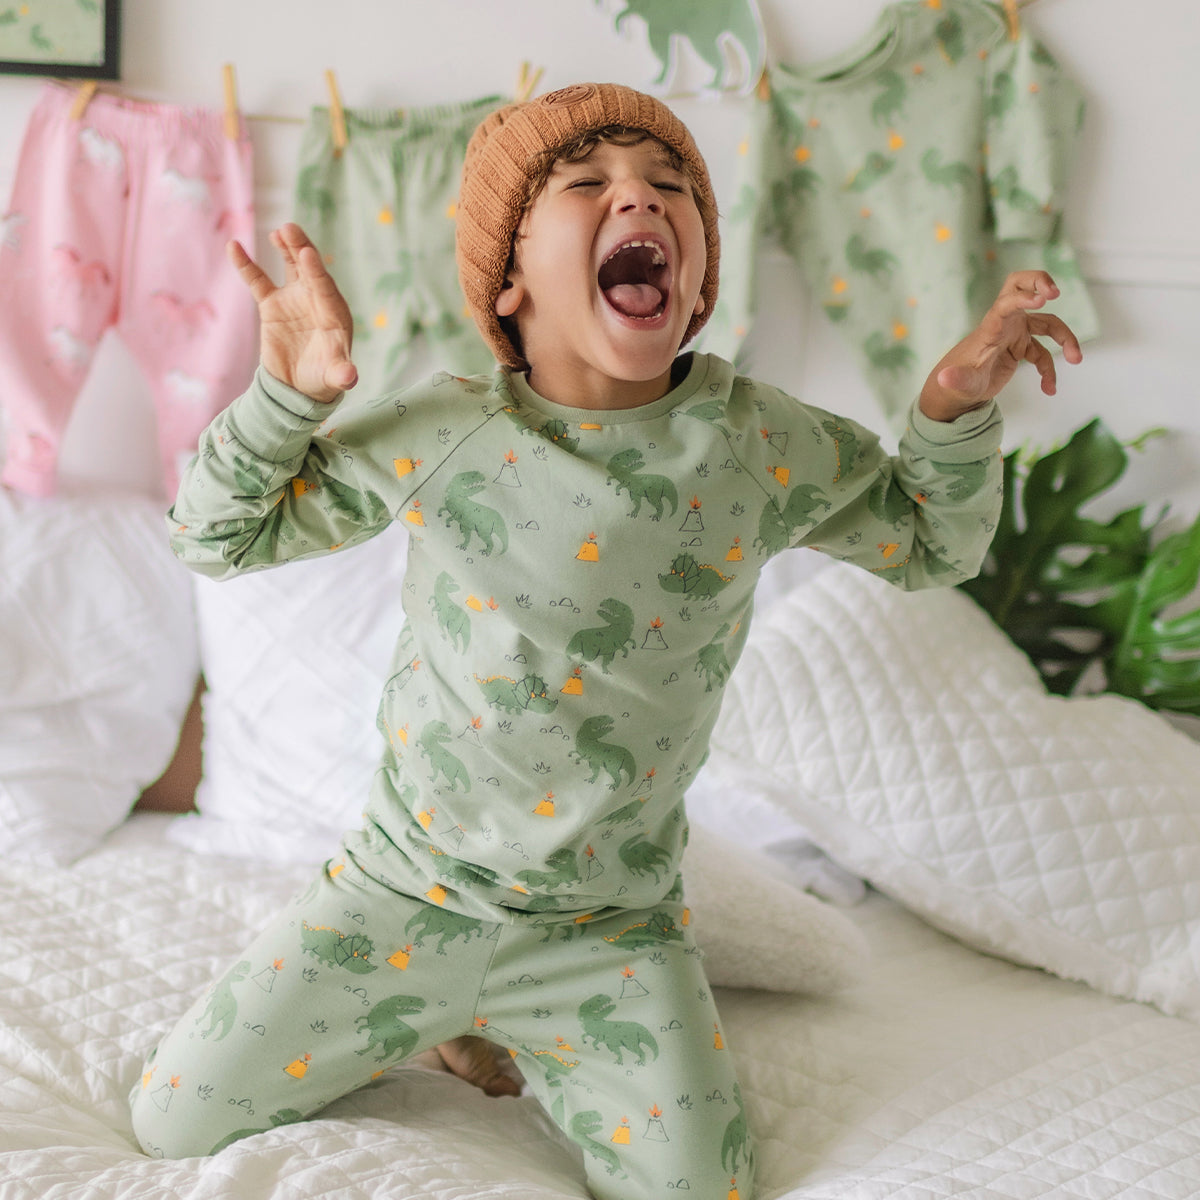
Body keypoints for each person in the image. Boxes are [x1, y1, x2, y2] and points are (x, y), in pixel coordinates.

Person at [130, 82, 1082, 1200]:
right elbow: (214, 535)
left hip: (609, 929)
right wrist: (285, 399)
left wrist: (953, 408)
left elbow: (931, 546)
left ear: (691, 286)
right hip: (403, 898)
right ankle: (445, 1018)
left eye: (670, 186)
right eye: (587, 184)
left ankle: (512, 1026)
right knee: (169, 1121)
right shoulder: (448, 428)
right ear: (510, 280)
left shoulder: (755, 442)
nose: (641, 194)